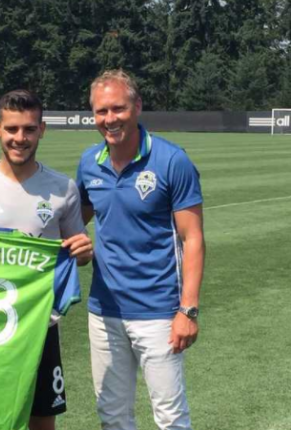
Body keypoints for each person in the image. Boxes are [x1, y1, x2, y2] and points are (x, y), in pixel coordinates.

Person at [0, 89, 93, 430]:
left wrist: (84, 253)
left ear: (41, 130)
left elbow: (73, 254)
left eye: (28, 129)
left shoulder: (63, 188)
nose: (20, 138)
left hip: (40, 327)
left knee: (42, 420)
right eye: (12, 129)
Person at [76, 70, 205, 430]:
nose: (109, 119)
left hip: (159, 312)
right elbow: (75, 223)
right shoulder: (89, 163)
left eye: (118, 109)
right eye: (101, 112)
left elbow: (192, 238)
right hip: (104, 311)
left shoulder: (171, 160)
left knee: (170, 418)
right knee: (112, 416)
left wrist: (188, 310)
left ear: (137, 107)